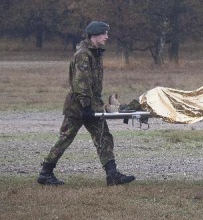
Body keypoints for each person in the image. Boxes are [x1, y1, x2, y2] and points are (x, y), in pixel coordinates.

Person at [37, 21, 135, 186]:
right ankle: (45, 173)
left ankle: (112, 175)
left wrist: (93, 106)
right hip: (78, 107)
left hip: (92, 105)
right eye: (104, 34)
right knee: (65, 138)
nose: (107, 37)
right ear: (95, 34)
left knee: (103, 136)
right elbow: (81, 83)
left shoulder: (95, 54)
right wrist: (86, 107)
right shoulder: (84, 54)